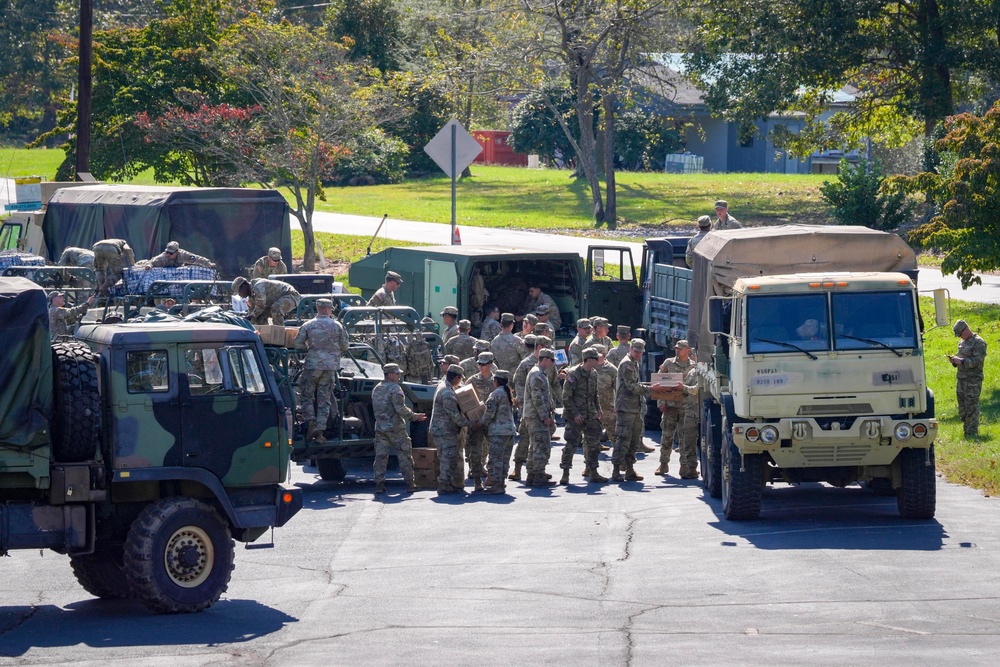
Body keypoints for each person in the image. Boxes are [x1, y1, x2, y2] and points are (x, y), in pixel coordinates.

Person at [294, 298, 350, 443]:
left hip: (312, 366)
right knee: (324, 399)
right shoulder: (338, 325)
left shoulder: (308, 325)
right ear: (329, 309)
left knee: (307, 396)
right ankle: (320, 430)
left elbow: (298, 343)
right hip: (330, 367)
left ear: (318, 309)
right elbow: (345, 346)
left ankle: (310, 423)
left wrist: (311, 348)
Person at [372, 363, 427, 494]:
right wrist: (415, 416)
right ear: (389, 374)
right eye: (396, 373)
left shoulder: (377, 388)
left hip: (381, 427)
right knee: (404, 455)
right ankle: (410, 483)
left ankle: (379, 484)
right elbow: (400, 408)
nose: (399, 375)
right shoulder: (395, 389)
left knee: (380, 457)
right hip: (396, 428)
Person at [560, 347, 608, 484]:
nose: (598, 360)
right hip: (575, 416)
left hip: (590, 414)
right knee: (571, 444)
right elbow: (566, 397)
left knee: (594, 444)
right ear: (589, 359)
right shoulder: (573, 374)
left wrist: (598, 409)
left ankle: (593, 471)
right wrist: (575, 414)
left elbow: (594, 394)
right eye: (596, 358)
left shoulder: (593, 373)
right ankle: (565, 473)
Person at [612, 338, 656, 483]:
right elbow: (632, 387)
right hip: (625, 408)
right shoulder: (627, 364)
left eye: (640, 352)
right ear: (631, 349)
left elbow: (635, 384)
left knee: (634, 440)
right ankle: (616, 470)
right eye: (636, 351)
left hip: (634, 408)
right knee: (623, 439)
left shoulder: (634, 363)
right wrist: (652, 389)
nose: (638, 354)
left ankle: (630, 469)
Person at [656, 339, 696, 477]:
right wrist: (661, 402)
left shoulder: (694, 366)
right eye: (677, 348)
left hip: (686, 407)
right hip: (670, 406)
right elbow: (659, 382)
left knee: (685, 438)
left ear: (688, 350)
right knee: (667, 436)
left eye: (681, 348)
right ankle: (663, 464)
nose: (677, 350)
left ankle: (684, 466)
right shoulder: (668, 363)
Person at [430, 364, 471, 495]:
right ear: (457, 377)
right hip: (445, 431)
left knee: (445, 457)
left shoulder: (444, 386)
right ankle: (444, 485)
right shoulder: (447, 392)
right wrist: (470, 423)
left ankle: (447, 483)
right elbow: (455, 416)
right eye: (460, 378)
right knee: (448, 458)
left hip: (442, 429)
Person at [524, 348, 558, 486]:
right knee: (541, 446)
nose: (553, 363)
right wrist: (545, 417)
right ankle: (538, 475)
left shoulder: (539, 373)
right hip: (536, 417)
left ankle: (533, 474)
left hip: (534, 415)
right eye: (551, 360)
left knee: (535, 446)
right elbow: (537, 398)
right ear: (544, 359)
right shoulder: (537, 374)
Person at [949, 319, 988, 439]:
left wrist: (962, 361)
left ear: (966, 329)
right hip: (961, 378)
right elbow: (961, 358)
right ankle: (966, 430)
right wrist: (954, 361)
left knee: (971, 405)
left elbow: (978, 361)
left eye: (960, 334)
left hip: (973, 379)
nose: (960, 337)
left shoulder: (978, 342)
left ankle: (972, 433)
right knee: (963, 406)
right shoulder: (962, 342)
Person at [480, 370, 516, 494]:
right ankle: (501, 483)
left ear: (496, 381)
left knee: (495, 459)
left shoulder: (495, 394)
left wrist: (481, 423)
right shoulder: (508, 392)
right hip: (509, 431)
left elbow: (489, 413)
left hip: (498, 432)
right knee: (504, 459)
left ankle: (496, 485)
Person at [465, 352, 496, 490]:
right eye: (479, 364)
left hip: (491, 422)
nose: (481, 367)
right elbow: (464, 399)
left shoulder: (495, 381)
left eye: (484, 364)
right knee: (475, 452)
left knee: (494, 451)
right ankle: (477, 481)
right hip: (476, 422)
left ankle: (491, 478)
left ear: (490, 364)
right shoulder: (472, 380)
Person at [233, 276, 302, 325]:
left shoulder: (258, 287)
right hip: (275, 300)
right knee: (259, 316)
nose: (239, 295)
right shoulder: (251, 296)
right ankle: (264, 335)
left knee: (276, 308)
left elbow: (261, 306)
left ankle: (279, 334)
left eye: (239, 292)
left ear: (244, 287)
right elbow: (252, 312)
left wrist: (250, 316)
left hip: (291, 296)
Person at [592, 344, 618, 448]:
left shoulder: (612, 370)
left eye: (598, 355)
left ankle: (619, 458)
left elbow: (618, 389)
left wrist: (617, 405)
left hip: (607, 407)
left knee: (614, 434)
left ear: (604, 354)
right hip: (592, 407)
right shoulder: (588, 367)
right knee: (591, 434)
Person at [149, 241, 215, 269]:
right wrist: (149, 265)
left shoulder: (183, 255)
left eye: (171, 253)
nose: (168, 254)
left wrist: (208, 264)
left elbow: (196, 259)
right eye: (167, 252)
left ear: (177, 252)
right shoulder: (163, 258)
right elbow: (152, 262)